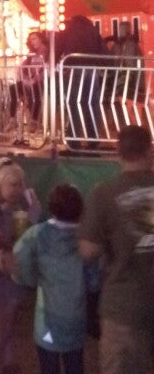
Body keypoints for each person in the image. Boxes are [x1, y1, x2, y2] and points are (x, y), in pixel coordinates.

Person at [79, 124, 154, 374]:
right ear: (149, 151)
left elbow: (88, 250)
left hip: (124, 306)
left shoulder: (105, 193)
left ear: (118, 153)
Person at [12, 184, 97, 374]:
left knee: (48, 365)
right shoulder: (86, 238)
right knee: (75, 364)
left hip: (47, 322)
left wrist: (31, 280)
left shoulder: (37, 233)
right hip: (76, 320)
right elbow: (94, 279)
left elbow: (19, 261)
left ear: (51, 208)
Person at [0, 157, 41, 374]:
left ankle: (8, 362)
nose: (19, 189)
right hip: (0, 266)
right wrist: (32, 219)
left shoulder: (14, 207)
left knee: (8, 316)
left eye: (21, 184)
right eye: (13, 184)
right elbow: (7, 244)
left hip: (10, 266)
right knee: (7, 316)